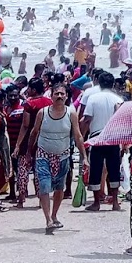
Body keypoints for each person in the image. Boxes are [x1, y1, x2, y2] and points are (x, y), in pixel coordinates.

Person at [31, 83, 81, 232]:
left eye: (62, 94)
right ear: (51, 96)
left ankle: (54, 215)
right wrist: (28, 153)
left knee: (60, 188)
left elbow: (78, 135)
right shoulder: (42, 113)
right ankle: (48, 220)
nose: (59, 96)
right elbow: (34, 133)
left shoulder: (71, 113)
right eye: (56, 94)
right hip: (43, 155)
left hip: (63, 156)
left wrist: (84, 156)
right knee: (44, 186)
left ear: (66, 96)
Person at [81, 72, 124, 211]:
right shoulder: (118, 99)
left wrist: (81, 137)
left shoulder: (93, 99)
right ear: (112, 84)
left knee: (96, 169)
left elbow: (87, 119)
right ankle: (115, 202)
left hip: (97, 138)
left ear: (99, 83)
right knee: (114, 169)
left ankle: (96, 202)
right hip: (113, 137)